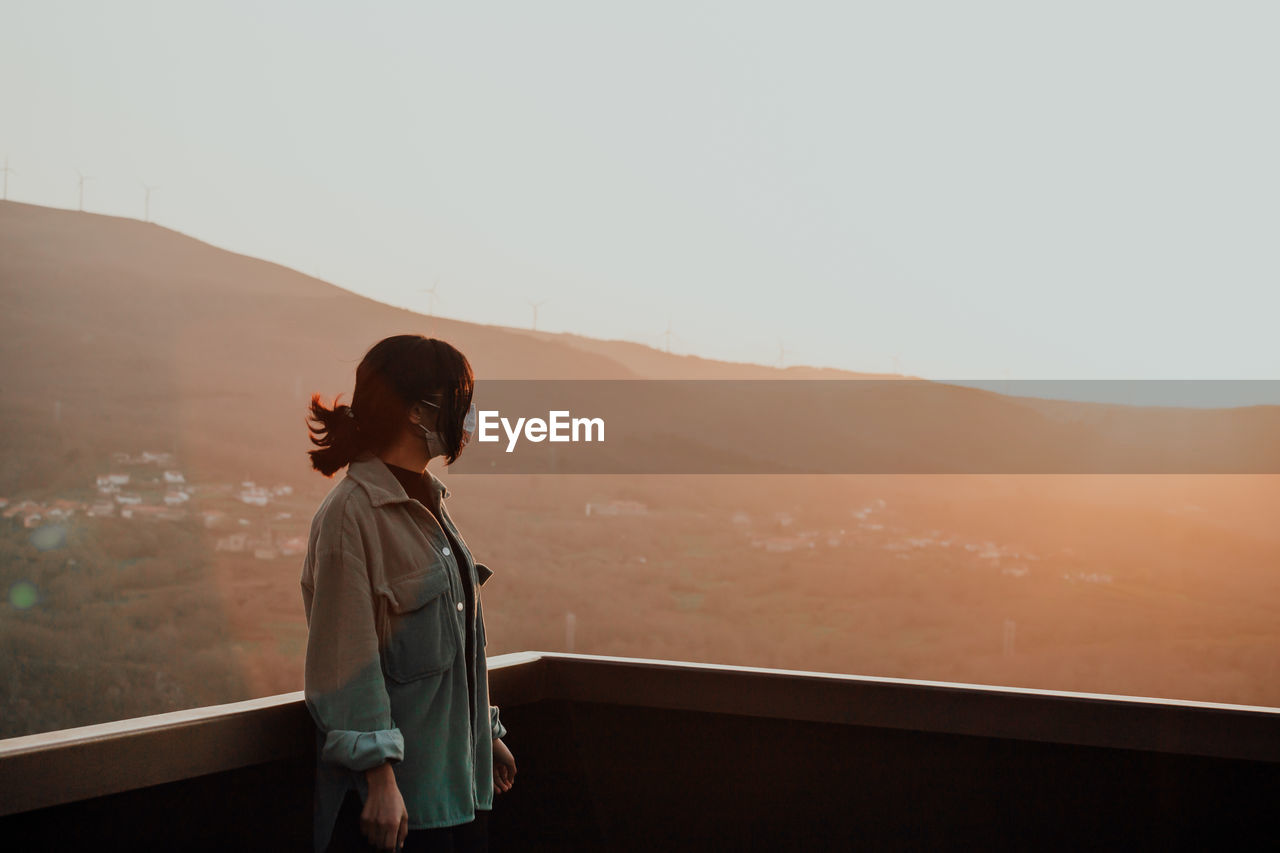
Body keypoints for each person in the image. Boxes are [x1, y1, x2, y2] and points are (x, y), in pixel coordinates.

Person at [301, 335, 516, 853]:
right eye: (459, 399)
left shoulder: (430, 504)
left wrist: (487, 732)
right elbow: (345, 662)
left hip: (461, 791)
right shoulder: (352, 516)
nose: (468, 416)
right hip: (401, 813)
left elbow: (457, 642)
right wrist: (380, 781)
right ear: (420, 410)